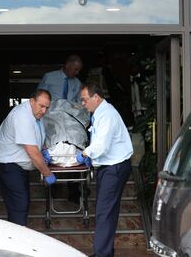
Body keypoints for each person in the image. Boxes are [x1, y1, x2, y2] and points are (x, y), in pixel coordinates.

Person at [77, 82, 133, 257]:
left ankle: (102, 254)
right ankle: (105, 252)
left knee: (104, 213)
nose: (83, 104)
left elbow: (101, 146)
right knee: (107, 212)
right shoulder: (100, 113)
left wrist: (84, 154)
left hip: (114, 168)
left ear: (96, 97)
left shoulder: (106, 114)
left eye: (85, 100)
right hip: (109, 167)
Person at [0, 89, 56, 226]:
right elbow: (31, 150)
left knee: (20, 203)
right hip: (8, 163)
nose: (43, 111)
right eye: (41, 106)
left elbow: (38, 140)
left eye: (46, 108)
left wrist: (44, 151)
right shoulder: (22, 116)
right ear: (31, 101)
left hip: (18, 165)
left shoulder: (36, 116)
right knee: (19, 204)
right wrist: (47, 173)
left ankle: (17, 235)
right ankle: (16, 240)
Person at [38, 54, 85, 203]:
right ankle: (53, 188)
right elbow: (39, 97)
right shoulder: (49, 77)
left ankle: (74, 191)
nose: (76, 73)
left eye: (78, 70)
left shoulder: (77, 83)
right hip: (52, 118)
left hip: (70, 120)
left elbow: (79, 103)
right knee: (53, 147)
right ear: (68, 65)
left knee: (74, 147)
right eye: (75, 69)